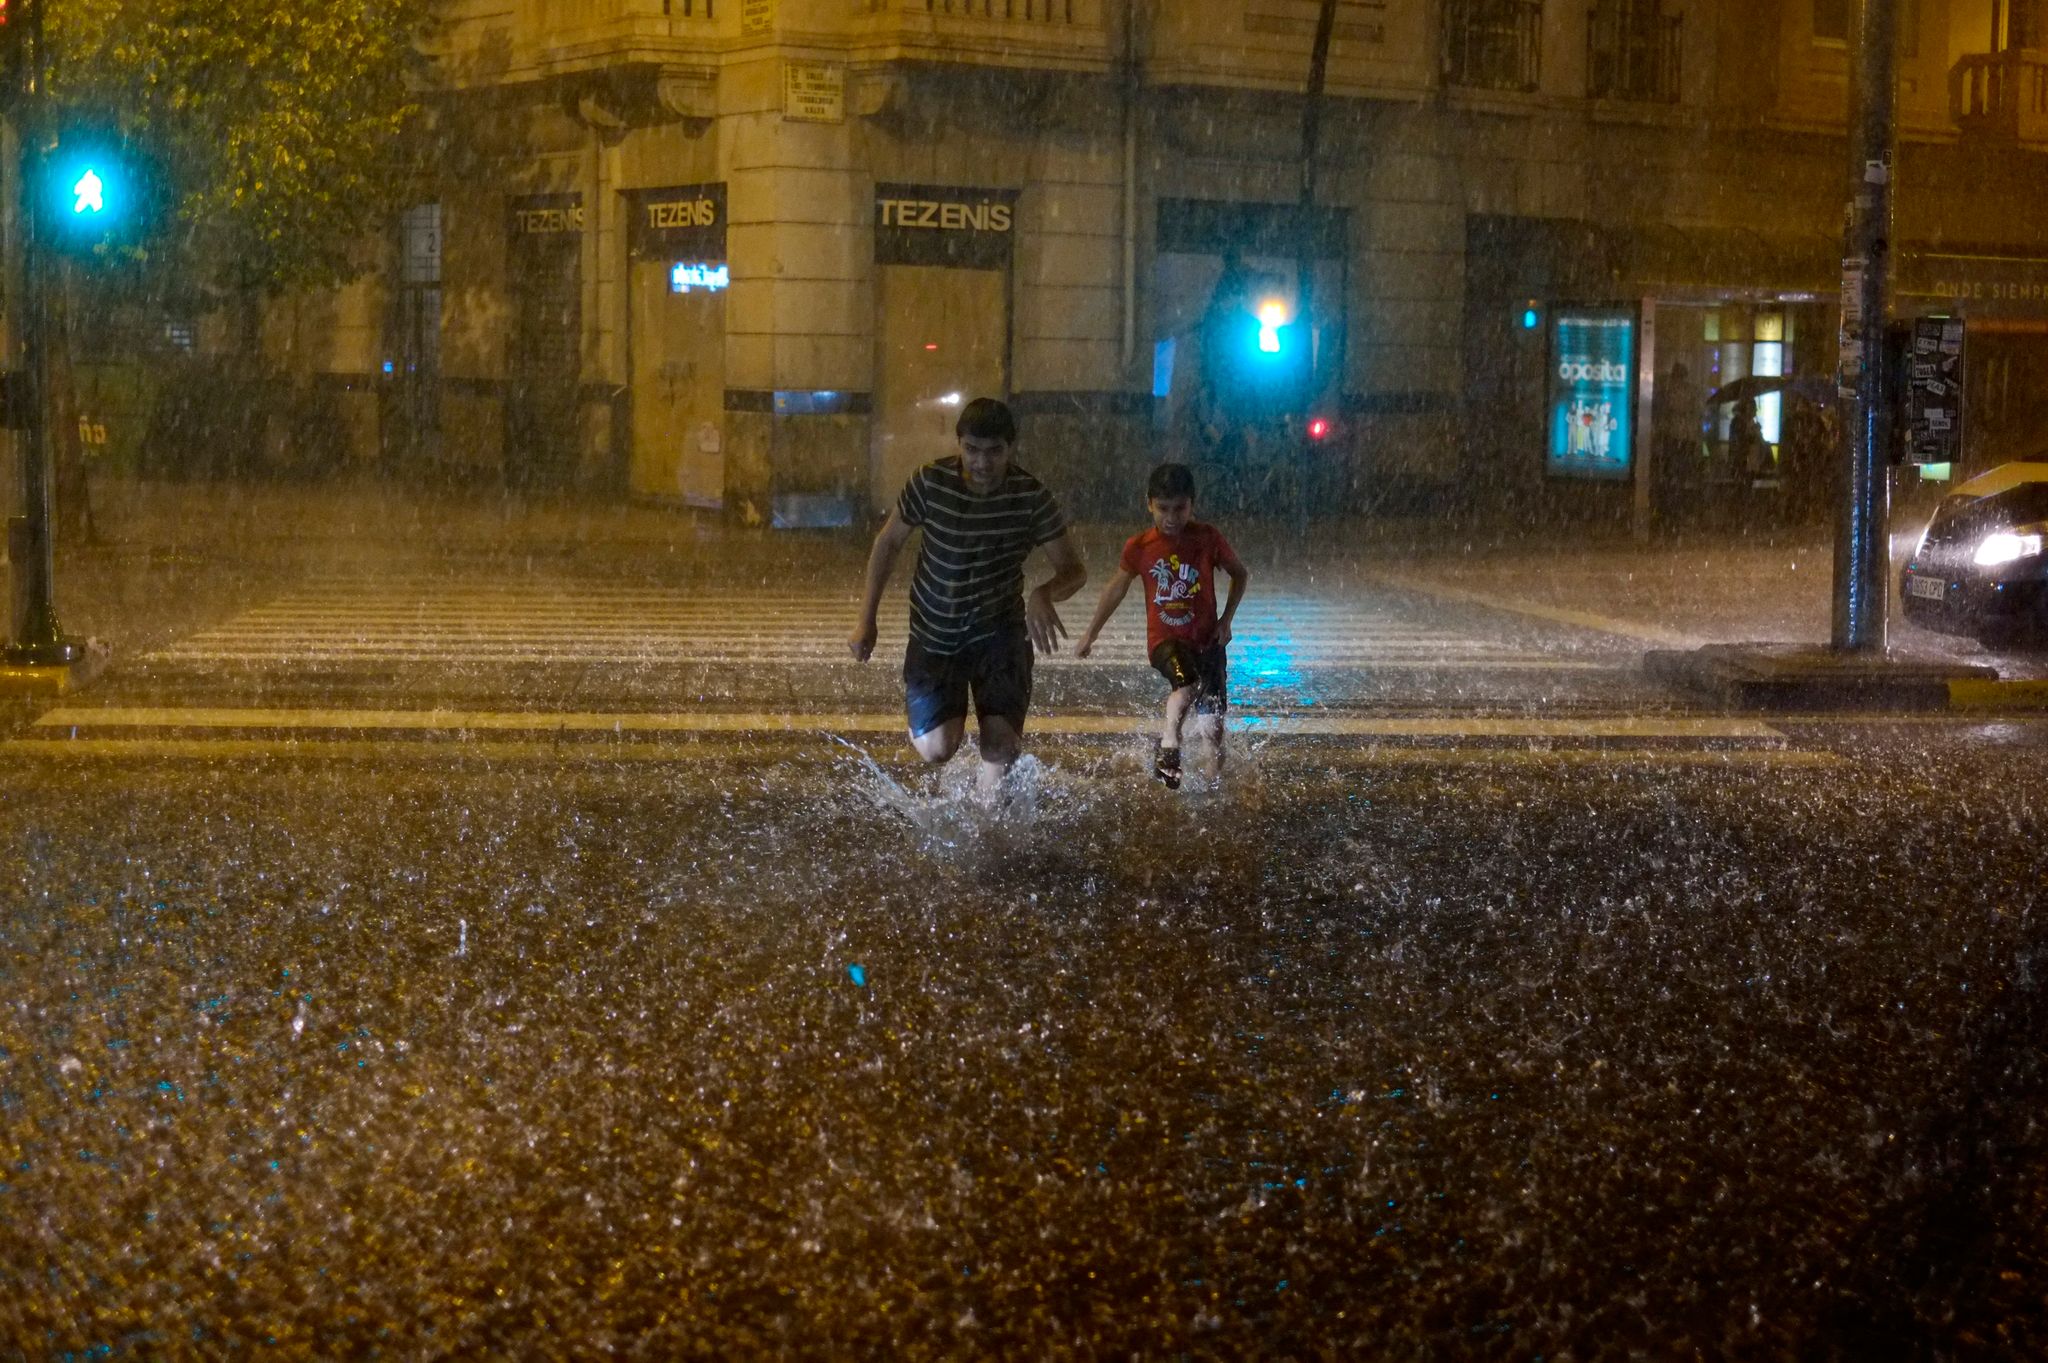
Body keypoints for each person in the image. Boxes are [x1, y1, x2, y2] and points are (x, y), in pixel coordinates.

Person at [847, 397, 1086, 797]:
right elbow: (887, 544)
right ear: (959, 443)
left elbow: (1074, 570)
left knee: (1000, 747)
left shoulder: (1030, 496)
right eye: (972, 450)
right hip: (935, 635)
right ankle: (949, 734)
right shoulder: (930, 482)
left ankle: (989, 831)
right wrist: (866, 618)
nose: (982, 463)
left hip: (1000, 633)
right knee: (937, 749)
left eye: (994, 452)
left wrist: (1045, 593)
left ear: (1011, 449)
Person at [1073, 461, 1248, 789]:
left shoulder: (1207, 538)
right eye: (1163, 509)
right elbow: (1116, 588)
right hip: (1165, 640)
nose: (1171, 518)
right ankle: (1170, 742)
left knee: (1214, 732)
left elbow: (1240, 574)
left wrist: (1226, 620)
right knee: (1186, 683)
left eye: (1180, 509)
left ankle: (1213, 788)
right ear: (1148, 504)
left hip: (1208, 641)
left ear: (1192, 504)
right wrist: (1090, 633)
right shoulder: (1140, 547)